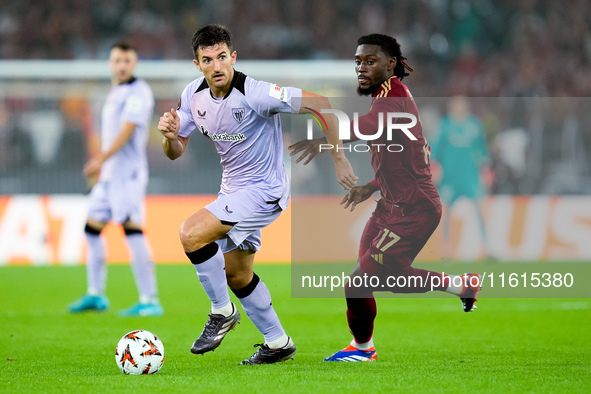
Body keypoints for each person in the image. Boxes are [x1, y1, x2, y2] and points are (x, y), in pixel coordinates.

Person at [157, 24, 357, 365]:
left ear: (233, 57)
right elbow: (176, 152)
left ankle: (221, 312)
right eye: (208, 60)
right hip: (233, 192)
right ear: (197, 64)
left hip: (265, 191)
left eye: (222, 57)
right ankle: (278, 342)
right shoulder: (192, 94)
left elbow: (321, 103)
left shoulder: (257, 92)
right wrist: (170, 136)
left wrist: (338, 157)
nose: (217, 66)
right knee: (237, 274)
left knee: (190, 233)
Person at [289, 34, 482, 362]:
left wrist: (325, 140)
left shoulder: (394, 94)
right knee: (369, 281)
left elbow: (368, 126)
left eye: (370, 61)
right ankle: (458, 287)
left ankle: (364, 349)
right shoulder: (386, 97)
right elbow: (405, 159)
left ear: (391, 63)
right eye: (358, 62)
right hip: (390, 206)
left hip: (414, 209)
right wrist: (371, 186)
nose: (361, 68)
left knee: (358, 283)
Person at [68, 41, 162, 317]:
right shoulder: (114, 92)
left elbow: (127, 130)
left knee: (132, 230)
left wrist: (100, 159)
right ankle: (96, 294)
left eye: (127, 61)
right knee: (92, 229)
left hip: (127, 175)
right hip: (109, 176)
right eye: (117, 61)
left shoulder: (139, 91)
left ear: (134, 64)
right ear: (111, 63)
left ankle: (150, 299)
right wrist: (102, 164)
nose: (122, 65)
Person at [429, 96, 493, 260]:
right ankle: (446, 251)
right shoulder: (444, 125)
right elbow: (434, 150)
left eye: (462, 105)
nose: (459, 108)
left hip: (470, 177)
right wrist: (434, 168)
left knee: (481, 210)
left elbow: (482, 149)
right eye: (456, 105)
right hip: (450, 179)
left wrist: (486, 170)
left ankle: (487, 249)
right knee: (445, 214)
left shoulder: (474, 125)